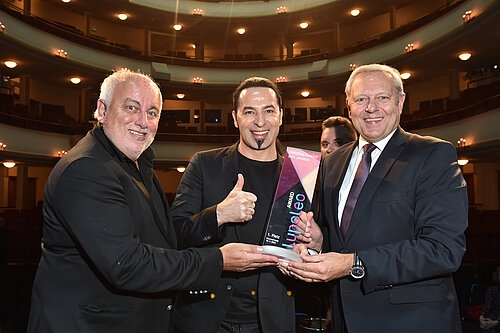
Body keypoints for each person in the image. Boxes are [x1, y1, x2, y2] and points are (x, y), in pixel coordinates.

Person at [27, 69, 278, 333]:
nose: (142, 122)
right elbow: (128, 265)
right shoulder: (86, 168)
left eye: (152, 113)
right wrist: (218, 259)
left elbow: (167, 241)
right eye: (131, 107)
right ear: (102, 110)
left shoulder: (138, 163)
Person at [280, 64, 467, 333]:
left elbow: (443, 249)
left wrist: (354, 263)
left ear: (400, 102)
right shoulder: (332, 163)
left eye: (382, 97)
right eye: (361, 99)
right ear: (348, 105)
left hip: (411, 321)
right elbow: (343, 239)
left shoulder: (432, 155)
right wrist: (319, 243)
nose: (371, 108)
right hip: (344, 319)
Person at [170, 77, 295, 333]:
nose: (260, 122)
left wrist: (315, 242)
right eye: (250, 112)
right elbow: (175, 232)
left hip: (271, 320)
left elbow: (315, 243)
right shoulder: (204, 165)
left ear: (281, 116)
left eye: (268, 111)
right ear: (236, 118)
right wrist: (218, 214)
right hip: (207, 318)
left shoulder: (299, 174)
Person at [480, 265, 500, 332]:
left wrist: (496, 322)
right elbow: (487, 306)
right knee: (486, 327)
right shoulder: (492, 290)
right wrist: (482, 317)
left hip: (498, 320)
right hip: (492, 317)